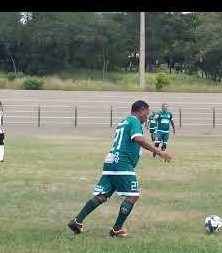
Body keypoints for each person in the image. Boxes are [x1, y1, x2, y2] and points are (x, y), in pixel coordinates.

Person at [68, 100, 172, 238]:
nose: (146, 118)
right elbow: (139, 140)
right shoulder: (134, 121)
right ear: (141, 111)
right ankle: (116, 229)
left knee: (103, 195)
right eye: (146, 114)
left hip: (111, 161)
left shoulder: (124, 121)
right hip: (122, 163)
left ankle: (77, 221)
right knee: (133, 196)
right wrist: (159, 152)